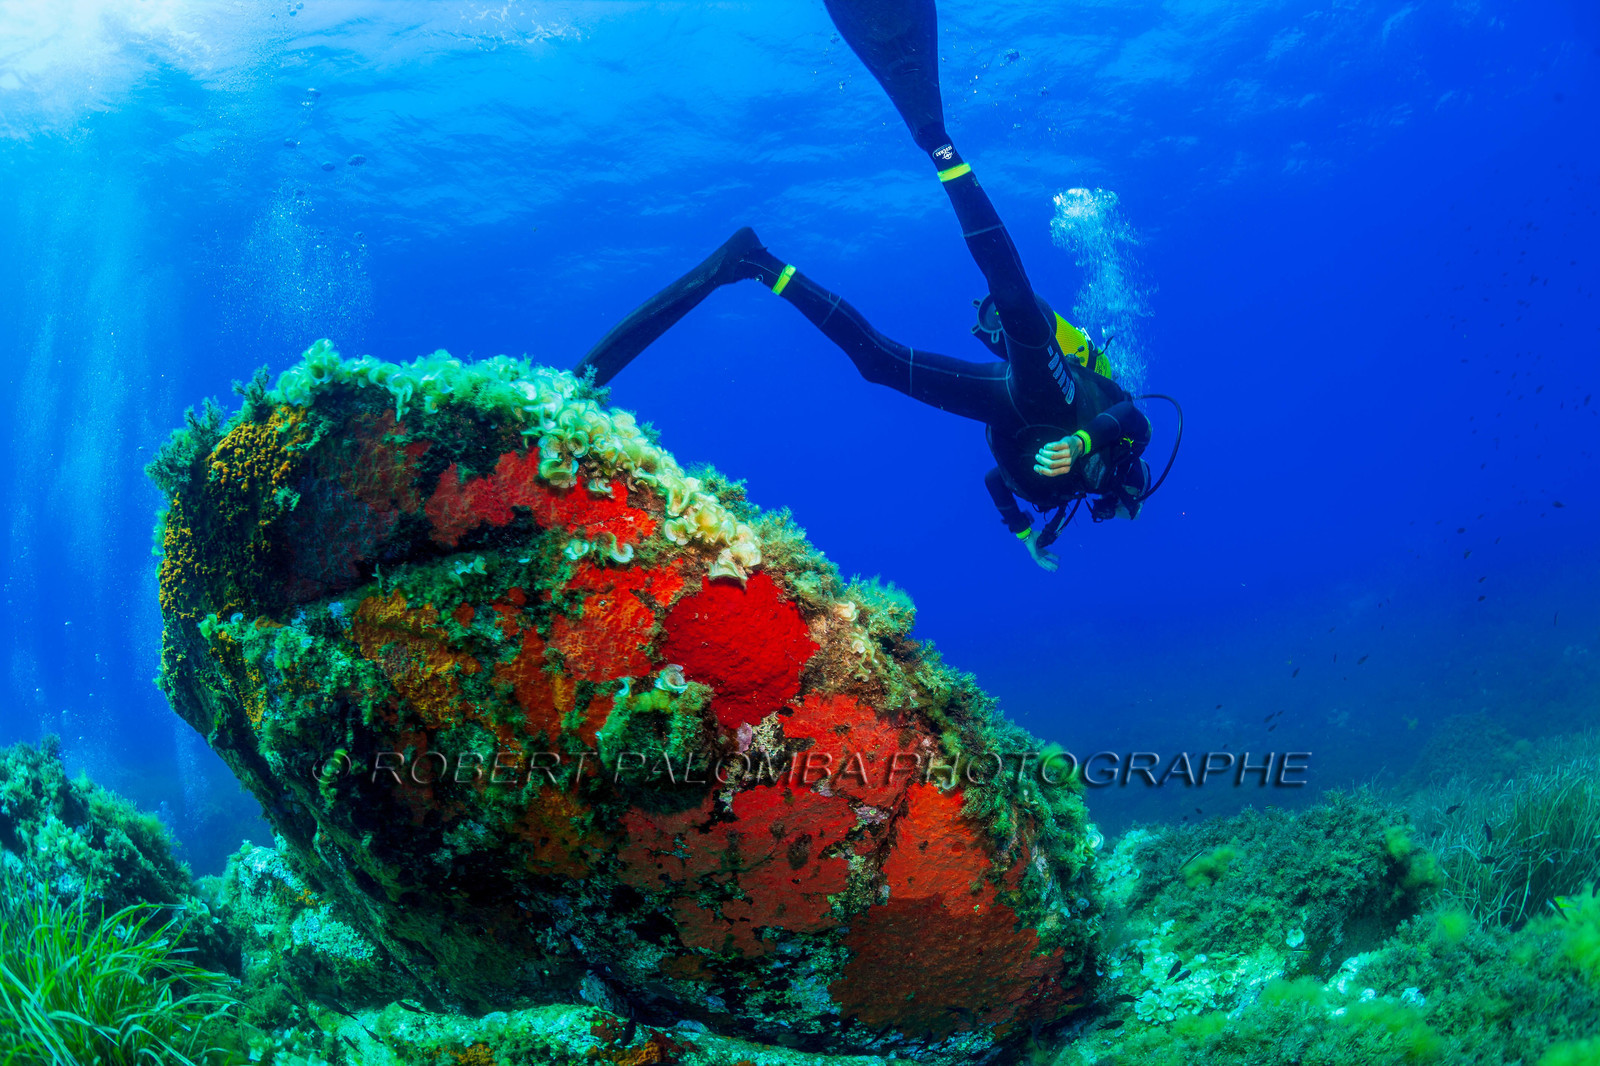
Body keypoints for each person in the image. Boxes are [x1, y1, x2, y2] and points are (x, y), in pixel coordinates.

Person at [576, 0, 1157, 571]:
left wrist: (1025, 533)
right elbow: (1134, 420)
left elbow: (993, 478)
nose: (1109, 494)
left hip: (1005, 403)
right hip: (1054, 387)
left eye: (1112, 501)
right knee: (1011, 294)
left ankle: (754, 262)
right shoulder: (1117, 433)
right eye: (1122, 492)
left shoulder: (1057, 498)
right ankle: (937, 140)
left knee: (878, 364)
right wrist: (1083, 445)